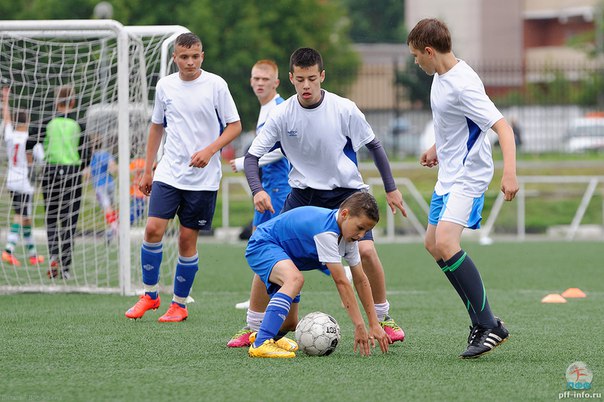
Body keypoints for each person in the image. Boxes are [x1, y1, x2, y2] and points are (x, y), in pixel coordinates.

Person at [228, 47, 407, 348]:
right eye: (300, 79)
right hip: (302, 194)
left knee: (365, 254)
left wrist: (391, 187)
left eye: (312, 78)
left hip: (347, 194)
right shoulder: (282, 114)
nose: (307, 85)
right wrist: (257, 190)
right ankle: (253, 326)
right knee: (272, 252)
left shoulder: (344, 108)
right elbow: (251, 157)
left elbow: (374, 146)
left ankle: (383, 318)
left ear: (322, 76)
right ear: (291, 79)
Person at [407, 18, 519, 358]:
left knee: (446, 242)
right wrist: (437, 148)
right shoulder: (440, 78)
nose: (415, 62)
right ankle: (482, 320)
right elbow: (455, 123)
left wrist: (510, 172)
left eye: (415, 56)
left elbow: (503, 127)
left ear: (429, 51)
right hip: (449, 174)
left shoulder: (463, 83)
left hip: (470, 175)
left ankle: (489, 324)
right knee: (432, 244)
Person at [124, 32, 242, 322]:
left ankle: (179, 304)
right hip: (168, 172)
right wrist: (148, 168)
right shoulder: (165, 86)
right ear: (175, 58)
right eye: (184, 57)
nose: (190, 62)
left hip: (203, 179)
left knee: (187, 240)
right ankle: (150, 295)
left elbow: (235, 125)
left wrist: (211, 149)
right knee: (152, 229)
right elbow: (156, 127)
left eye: (195, 56)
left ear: (202, 56)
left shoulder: (216, 85)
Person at [247, 192, 391, 358]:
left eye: (366, 231)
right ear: (344, 214)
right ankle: (260, 344)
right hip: (263, 243)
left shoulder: (349, 237)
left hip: (282, 252)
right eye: (360, 228)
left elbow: (360, 279)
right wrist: (359, 325)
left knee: (290, 323)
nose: (361, 235)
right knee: (295, 279)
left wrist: (374, 324)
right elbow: (342, 282)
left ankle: (266, 337)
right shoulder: (327, 232)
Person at [229, 59, 291, 313]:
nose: (259, 83)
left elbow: (280, 149)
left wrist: (246, 161)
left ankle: (339, 269)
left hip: (278, 186)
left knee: (268, 241)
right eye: (256, 78)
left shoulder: (279, 107)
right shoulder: (266, 108)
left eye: (265, 79)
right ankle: (259, 297)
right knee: (258, 238)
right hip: (267, 185)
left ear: (275, 82)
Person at [41, 84, 90, 280]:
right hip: (72, 174)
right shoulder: (79, 124)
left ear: (55, 103)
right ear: (73, 102)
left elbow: (32, 142)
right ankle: (66, 267)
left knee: (51, 217)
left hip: (50, 172)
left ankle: (53, 255)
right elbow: (87, 153)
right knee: (70, 220)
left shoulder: (47, 123)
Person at [1, 86, 45, 267]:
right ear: (27, 121)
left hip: (11, 179)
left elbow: (6, 121)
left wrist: (5, 100)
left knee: (26, 218)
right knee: (20, 216)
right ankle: (8, 250)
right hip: (23, 182)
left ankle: (33, 254)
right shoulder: (29, 137)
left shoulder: (10, 136)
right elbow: (41, 159)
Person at [83, 135, 118, 241]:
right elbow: (113, 168)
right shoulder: (106, 154)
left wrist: (87, 177)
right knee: (111, 207)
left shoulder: (91, 157)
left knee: (107, 208)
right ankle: (112, 229)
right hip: (110, 183)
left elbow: (87, 174)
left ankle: (115, 229)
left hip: (99, 186)